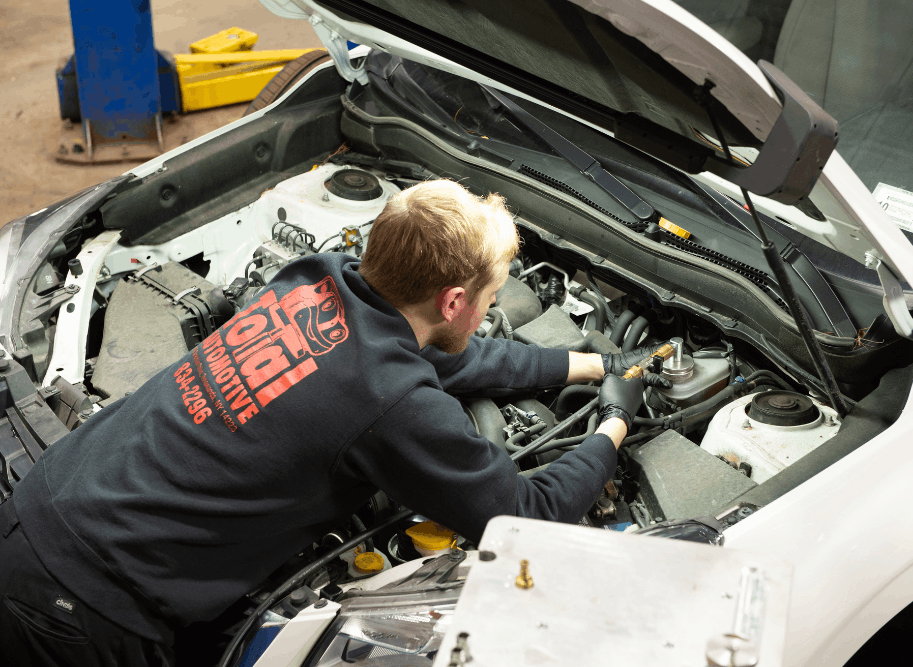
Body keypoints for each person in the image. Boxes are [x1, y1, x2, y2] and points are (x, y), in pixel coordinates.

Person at [0, 180, 656, 666]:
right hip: (82, 606)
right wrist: (615, 422)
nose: (485, 314)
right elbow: (524, 511)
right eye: (486, 301)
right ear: (453, 300)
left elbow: (451, 353)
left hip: (38, 510)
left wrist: (594, 364)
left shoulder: (319, 280)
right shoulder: (390, 399)